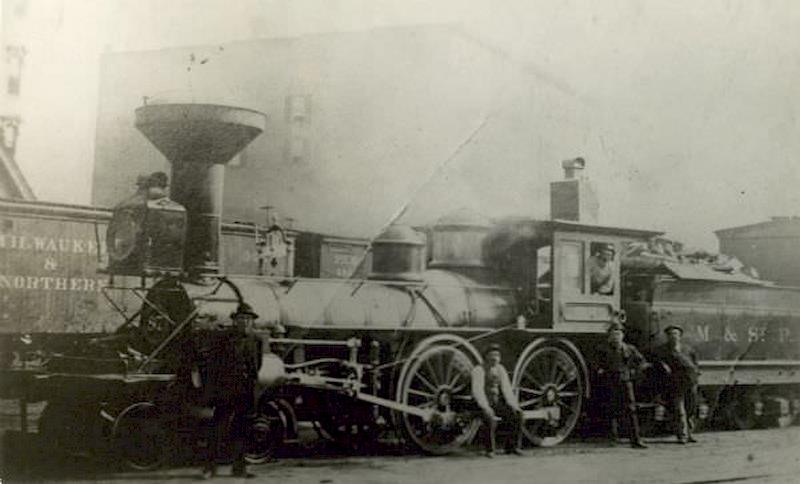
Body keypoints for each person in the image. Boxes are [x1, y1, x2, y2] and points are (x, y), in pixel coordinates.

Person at [200, 303, 263, 479]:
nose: (245, 322)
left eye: (248, 319)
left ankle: (239, 468)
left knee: (242, 430)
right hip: (225, 391)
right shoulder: (222, 339)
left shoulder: (256, 340)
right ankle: (209, 468)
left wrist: (252, 389)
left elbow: (256, 366)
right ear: (235, 321)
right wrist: (213, 391)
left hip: (245, 391)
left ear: (252, 322)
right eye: (241, 318)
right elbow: (212, 366)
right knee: (218, 429)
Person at [596, 320, 649, 449]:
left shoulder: (630, 349)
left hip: (625, 381)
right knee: (609, 409)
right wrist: (599, 370)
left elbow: (642, 362)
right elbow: (595, 364)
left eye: (618, 334)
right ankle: (611, 437)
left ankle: (636, 439)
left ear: (622, 335)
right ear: (609, 336)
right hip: (609, 381)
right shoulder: (602, 349)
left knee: (631, 410)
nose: (616, 337)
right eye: (613, 334)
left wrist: (634, 372)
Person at [471, 343, 524, 457]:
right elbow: (478, 392)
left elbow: (507, 389)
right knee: (489, 417)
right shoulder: (479, 370)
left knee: (516, 415)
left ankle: (512, 447)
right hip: (479, 404)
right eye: (492, 355)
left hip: (495, 403)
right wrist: (486, 407)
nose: (495, 358)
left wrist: (514, 406)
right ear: (486, 356)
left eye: (497, 355)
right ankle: (489, 450)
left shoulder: (501, 369)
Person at [654, 324, 700, 444]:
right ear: (667, 336)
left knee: (690, 408)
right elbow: (656, 362)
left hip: (690, 381)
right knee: (679, 410)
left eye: (676, 334)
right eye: (671, 334)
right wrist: (663, 366)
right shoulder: (662, 350)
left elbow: (695, 363)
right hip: (675, 383)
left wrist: (696, 374)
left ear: (680, 336)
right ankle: (682, 435)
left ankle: (689, 433)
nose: (673, 336)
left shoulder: (688, 349)